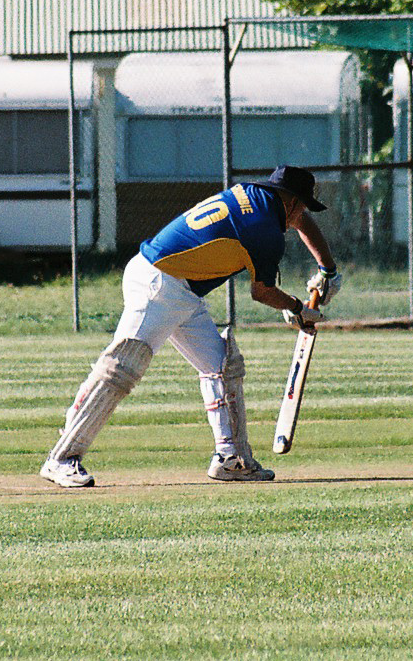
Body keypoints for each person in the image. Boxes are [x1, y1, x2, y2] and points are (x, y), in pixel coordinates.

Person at [40, 164, 343, 488]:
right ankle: (62, 458)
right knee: (121, 367)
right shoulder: (265, 230)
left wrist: (328, 270)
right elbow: (262, 292)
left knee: (222, 366)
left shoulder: (254, 195)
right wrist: (296, 309)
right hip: (159, 283)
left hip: (179, 288)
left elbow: (301, 222)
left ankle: (232, 459)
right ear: (294, 202)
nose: (299, 219)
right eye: (302, 209)